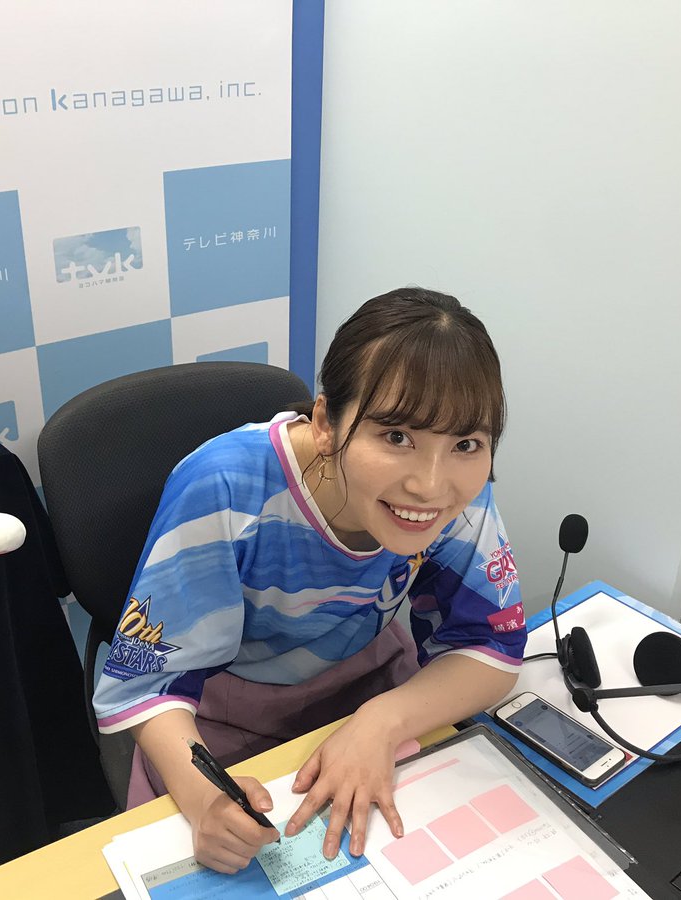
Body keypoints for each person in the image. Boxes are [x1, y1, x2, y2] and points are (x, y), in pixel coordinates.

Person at [92, 287, 527, 874]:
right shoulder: (224, 488)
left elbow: (490, 644)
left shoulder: (458, 494)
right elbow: (146, 684)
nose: (429, 485)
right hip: (225, 717)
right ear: (326, 424)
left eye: (467, 444)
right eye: (396, 437)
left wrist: (381, 722)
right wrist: (205, 802)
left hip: (371, 687)